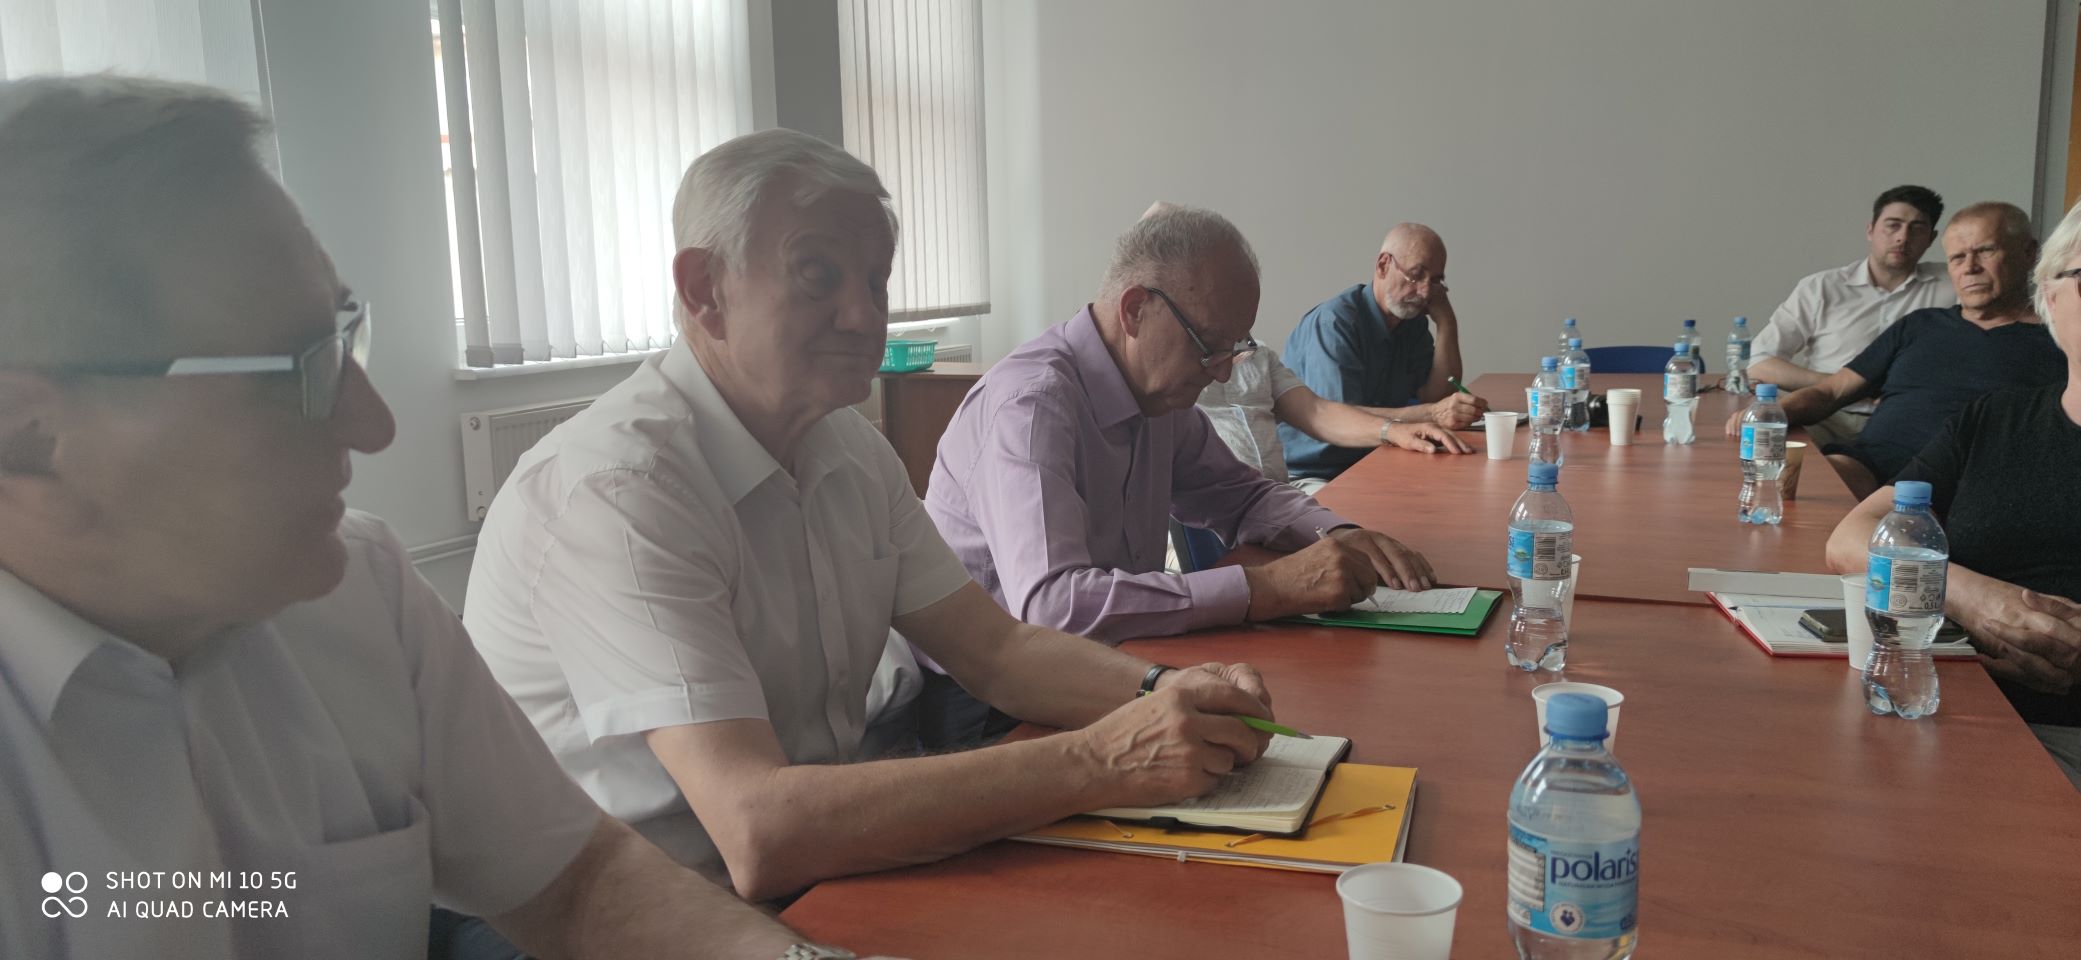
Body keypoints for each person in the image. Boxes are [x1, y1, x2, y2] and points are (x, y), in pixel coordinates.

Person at [0, 76, 853, 959]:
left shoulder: (358, 592)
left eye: (343, 337)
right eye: (300, 371)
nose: (374, 423)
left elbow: (579, 884)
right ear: (26, 434)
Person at [463, 130, 1281, 903]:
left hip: (807, 873)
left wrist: (1167, 690)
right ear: (705, 291)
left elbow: (996, 650)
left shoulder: (847, 447)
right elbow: (756, 828)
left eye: (876, 282)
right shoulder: (621, 488)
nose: (864, 316)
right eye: (817, 276)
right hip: (617, 912)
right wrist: (1104, 757)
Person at [921, 204, 1437, 743]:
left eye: (1235, 348)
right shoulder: (1030, 406)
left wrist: (1336, 533)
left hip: (1116, 658)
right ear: (1135, 310)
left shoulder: (1156, 397)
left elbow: (1241, 496)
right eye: (1209, 345)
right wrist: (1265, 588)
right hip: (989, 706)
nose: (1222, 373)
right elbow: (1054, 608)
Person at [1824, 197, 2081, 789]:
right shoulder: (1994, 419)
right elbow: (1850, 538)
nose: (1969, 267)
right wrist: (1974, 598)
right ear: (2050, 293)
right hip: (1937, 702)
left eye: (1984, 252)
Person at [1725, 203, 2064, 499]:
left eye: (1985, 251)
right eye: (1958, 257)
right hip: (1871, 467)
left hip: (1977, 484)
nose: (1969, 267)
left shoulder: (2059, 338)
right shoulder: (1919, 325)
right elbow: (1831, 392)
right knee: (1788, 490)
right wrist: (1774, 413)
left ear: (2029, 253)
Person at [1747, 185, 1956, 449]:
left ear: (1931, 238)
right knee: (1768, 450)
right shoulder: (1822, 287)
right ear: (1870, 230)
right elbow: (1760, 364)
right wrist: (1845, 387)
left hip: (1907, 422)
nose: (1903, 237)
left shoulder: (1953, 285)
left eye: (1916, 228)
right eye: (1893, 225)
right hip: (1825, 417)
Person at [1279, 223, 1489, 481]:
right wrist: (1432, 414)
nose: (1425, 292)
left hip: (1377, 458)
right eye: (1416, 275)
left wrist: (1447, 322)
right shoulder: (1335, 323)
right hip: (1317, 473)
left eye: (1435, 281)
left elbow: (1438, 396)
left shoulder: (1411, 323)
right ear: (1383, 265)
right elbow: (1344, 419)